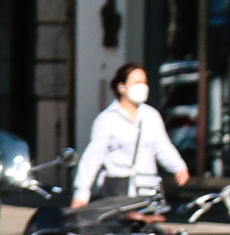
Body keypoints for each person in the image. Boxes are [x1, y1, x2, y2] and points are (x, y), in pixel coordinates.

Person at [71, 61, 187, 204]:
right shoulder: (108, 118)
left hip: (147, 188)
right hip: (117, 189)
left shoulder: (151, 116)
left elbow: (163, 147)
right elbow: (93, 156)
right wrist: (82, 192)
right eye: (137, 83)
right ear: (122, 87)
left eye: (144, 83)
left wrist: (178, 167)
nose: (143, 87)